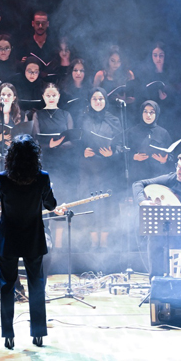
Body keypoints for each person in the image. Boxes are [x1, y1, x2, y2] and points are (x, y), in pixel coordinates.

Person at [0, 135, 66, 350]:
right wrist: (47, 189)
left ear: (12, 156)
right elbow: (50, 205)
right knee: (36, 284)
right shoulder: (42, 178)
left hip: (9, 239)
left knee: (6, 285)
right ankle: (38, 334)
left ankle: (8, 335)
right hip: (33, 238)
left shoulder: (2, 178)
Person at [80, 87, 122, 248]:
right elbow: (77, 141)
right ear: (90, 101)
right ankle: (91, 243)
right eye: (95, 99)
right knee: (89, 202)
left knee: (106, 205)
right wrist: (83, 152)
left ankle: (104, 244)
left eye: (101, 99)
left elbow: (121, 145)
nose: (98, 102)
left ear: (105, 101)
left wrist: (111, 153)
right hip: (88, 167)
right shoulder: (83, 118)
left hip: (107, 168)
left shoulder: (114, 120)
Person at [128, 100, 173, 182]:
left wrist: (164, 160)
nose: (148, 115)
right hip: (137, 175)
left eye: (152, 112)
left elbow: (172, 156)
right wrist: (133, 157)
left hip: (157, 176)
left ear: (156, 114)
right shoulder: (132, 131)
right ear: (141, 113)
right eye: (145, 112)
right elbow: (123, 153)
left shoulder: (163, 133)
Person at [93, 45, 136, 109]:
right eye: (113, 60)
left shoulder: (128, 74)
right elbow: (93, 98)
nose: (115, 64)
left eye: (119, 61)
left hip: (125, 110)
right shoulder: (100, 75)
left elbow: (135, 98)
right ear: (107, 60)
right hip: (107, 111)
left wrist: (124, 100)